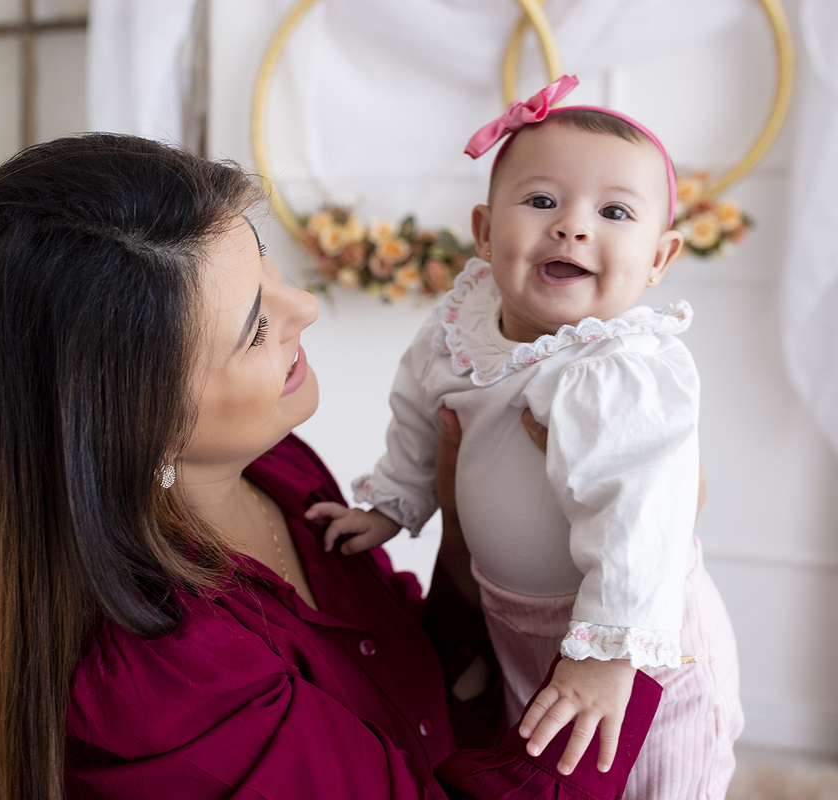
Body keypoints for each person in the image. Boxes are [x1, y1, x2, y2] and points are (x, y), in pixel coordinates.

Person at [0, 132, 665, 800]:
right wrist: (642, 605)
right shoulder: (164, 680)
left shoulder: (275, 470)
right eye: (254, 327)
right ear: (127, 423)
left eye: (265, 263)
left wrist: (468, 551)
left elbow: (412, 701)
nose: (303, 305)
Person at [309, 76, 742, 798]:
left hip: (634, 634)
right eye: (542, 201)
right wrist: (391, 502)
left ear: (660, 261)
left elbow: (642, 516)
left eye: (614, 211)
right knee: (549, 771)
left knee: (660, 777)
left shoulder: (623, 367)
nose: (574, 226)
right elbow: (419, 417)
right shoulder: (458, 329)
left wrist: (607, 654)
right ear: (484, 232)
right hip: (512, 620)